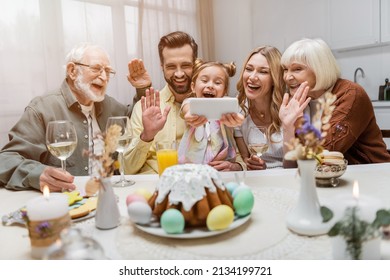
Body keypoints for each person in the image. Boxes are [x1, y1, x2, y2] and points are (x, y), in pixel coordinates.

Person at [0, 43, 143, 192]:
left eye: (108, 71)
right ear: (72, 71)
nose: (104, 77)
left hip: (109, 194)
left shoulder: (110, 106)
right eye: (96, 69)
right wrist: (37, 174)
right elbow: (5, 160)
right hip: (66, 199)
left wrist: (142, 89)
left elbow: (135, 121)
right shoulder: (42, 108)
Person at [124, 31, 242, 174]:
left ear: (196, 64)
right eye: (171, 67)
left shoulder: (215, 105)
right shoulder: (146, 108)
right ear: (162, 66)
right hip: (155, 186)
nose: (179, 74)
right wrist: (146, 136)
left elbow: (237, 154)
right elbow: (127, 169)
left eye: (186, 65)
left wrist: (236, 166)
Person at [279, 38, 390, 164]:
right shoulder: (300, 101)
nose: (287, 77)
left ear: (319, 69)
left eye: (297, 69)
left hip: (373, 174)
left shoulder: (351, 94)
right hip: (329, 178)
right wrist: (288, 127)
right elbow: (291, 166)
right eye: (285, 69)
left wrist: (300, 124)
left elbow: (323, 155)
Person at [178, 59, 246, 171]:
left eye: (218, 83)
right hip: (191, 170)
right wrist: (190, 114)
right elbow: (186, 107)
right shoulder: (190, 103)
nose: (210, 85)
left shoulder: (226, 106)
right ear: (193, 87)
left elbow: (235, 112)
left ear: (224, 91)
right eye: (204, 81)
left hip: (221, 170)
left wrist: (237, 119)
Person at [234, 46, 288, 170]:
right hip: (257, 178)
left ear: (275, 78)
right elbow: (246, 160)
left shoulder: (289, 108)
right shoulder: (239, 108)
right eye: (249, 69)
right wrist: (254, 165)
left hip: (288, 175)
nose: (252, 77)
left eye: (263, 71)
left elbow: (298, 163)